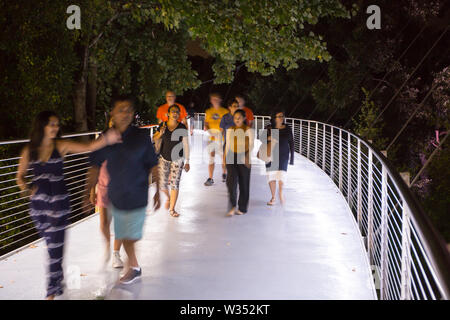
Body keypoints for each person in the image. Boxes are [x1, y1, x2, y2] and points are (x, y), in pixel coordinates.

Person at [16, 111, 121, 300]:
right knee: (52, 246)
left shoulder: (61, 145)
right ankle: (57, 280)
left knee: (55, 246)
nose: (55, 128)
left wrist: (106, 138)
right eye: (51, 124)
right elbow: (20, 177)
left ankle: (51, 292)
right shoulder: (29, 150)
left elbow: (89, 146)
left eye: (57, 124)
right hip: (39, 207)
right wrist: (27, 189)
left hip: (59, 203)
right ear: (41, 126)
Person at [85, 95, 161, 285]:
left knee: (128, 236)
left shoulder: (141, 137)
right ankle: (133, 266)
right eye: (121, 110)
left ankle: (133, 267)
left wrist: (159, 190)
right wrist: (88, 191)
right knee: (124, 234)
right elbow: (94, 166)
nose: (126, 114)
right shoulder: (106, 137)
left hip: (137, 194)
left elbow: (153, 164)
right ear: (112, 113)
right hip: (116, 196)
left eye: (129, 110)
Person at [89, 116, 123, 268]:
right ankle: (108, 246)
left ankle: (116, 253)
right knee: (103, 223)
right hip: (103, 187)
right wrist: (91, 189)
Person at [152, 104, 190, 217]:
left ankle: (172, 209)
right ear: (168, 114)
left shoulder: (182, 127)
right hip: (164, 157)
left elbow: (186, 144)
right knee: (162, 184)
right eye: (173, 111)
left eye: (177, 112)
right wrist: (161, 133)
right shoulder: (162, 125)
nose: (175, 113)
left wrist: (188, 161)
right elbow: (154, 138)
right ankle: (168, 198)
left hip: (178, 159)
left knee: (175, 184)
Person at [223, 109, 254, 216]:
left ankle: (242, 207)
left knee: (244, 183)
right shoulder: (230, 129)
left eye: (239, 117)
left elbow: (251, 145)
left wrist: (247, 156)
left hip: (244, 156)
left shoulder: (248, 130)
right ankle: (232, 206)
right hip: (231, 156)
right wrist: (224, 160)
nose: (237, 119)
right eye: (235, 118)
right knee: (231, 183)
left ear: (244, 118)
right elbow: (227, 145)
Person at [264, 110, 294, 205]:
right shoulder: (269, 128)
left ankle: (280, 192)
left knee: (282, 175)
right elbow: (261, 138)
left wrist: (292, 158)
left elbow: (291, 142)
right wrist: (269, 138)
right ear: (274, 118)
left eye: (283, 116)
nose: (282, 118)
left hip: (283, 155)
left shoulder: (287, 128)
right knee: (271, 176)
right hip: (271, 155)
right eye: (279, 116)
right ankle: (273, 197)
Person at [204, 93, 229, 186]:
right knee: (211, 158)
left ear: (220, 100)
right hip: (212, 138)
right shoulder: (208, 111)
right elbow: (206, 123)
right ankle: (210, 178)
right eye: (213, 99)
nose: (215, 100)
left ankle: (224, 173)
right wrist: (210, 131)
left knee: (224, 158)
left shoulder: (225, 111)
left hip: (222, 138)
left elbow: (227, 124)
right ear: (211, 100)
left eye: (217, 99)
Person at [219, 99, 239, 182]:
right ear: (229, 107)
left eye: (237, 106)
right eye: (234, 106)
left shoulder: (240, 117)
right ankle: (224, 172)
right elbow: (221, 130)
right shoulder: (225, 117)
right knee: (225, 161)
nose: (236, 108)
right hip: (227, 142)